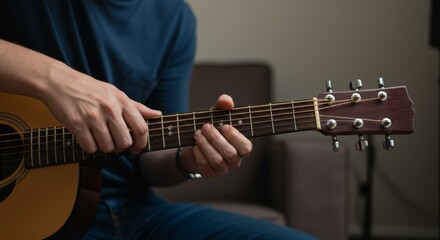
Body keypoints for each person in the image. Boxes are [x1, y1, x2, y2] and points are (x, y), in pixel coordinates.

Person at [0, 1, 316, 239]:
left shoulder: (174, 17)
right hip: (31, 218)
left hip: (136, 212)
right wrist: (56, 80)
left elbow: (153, 160)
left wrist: (189, 159)